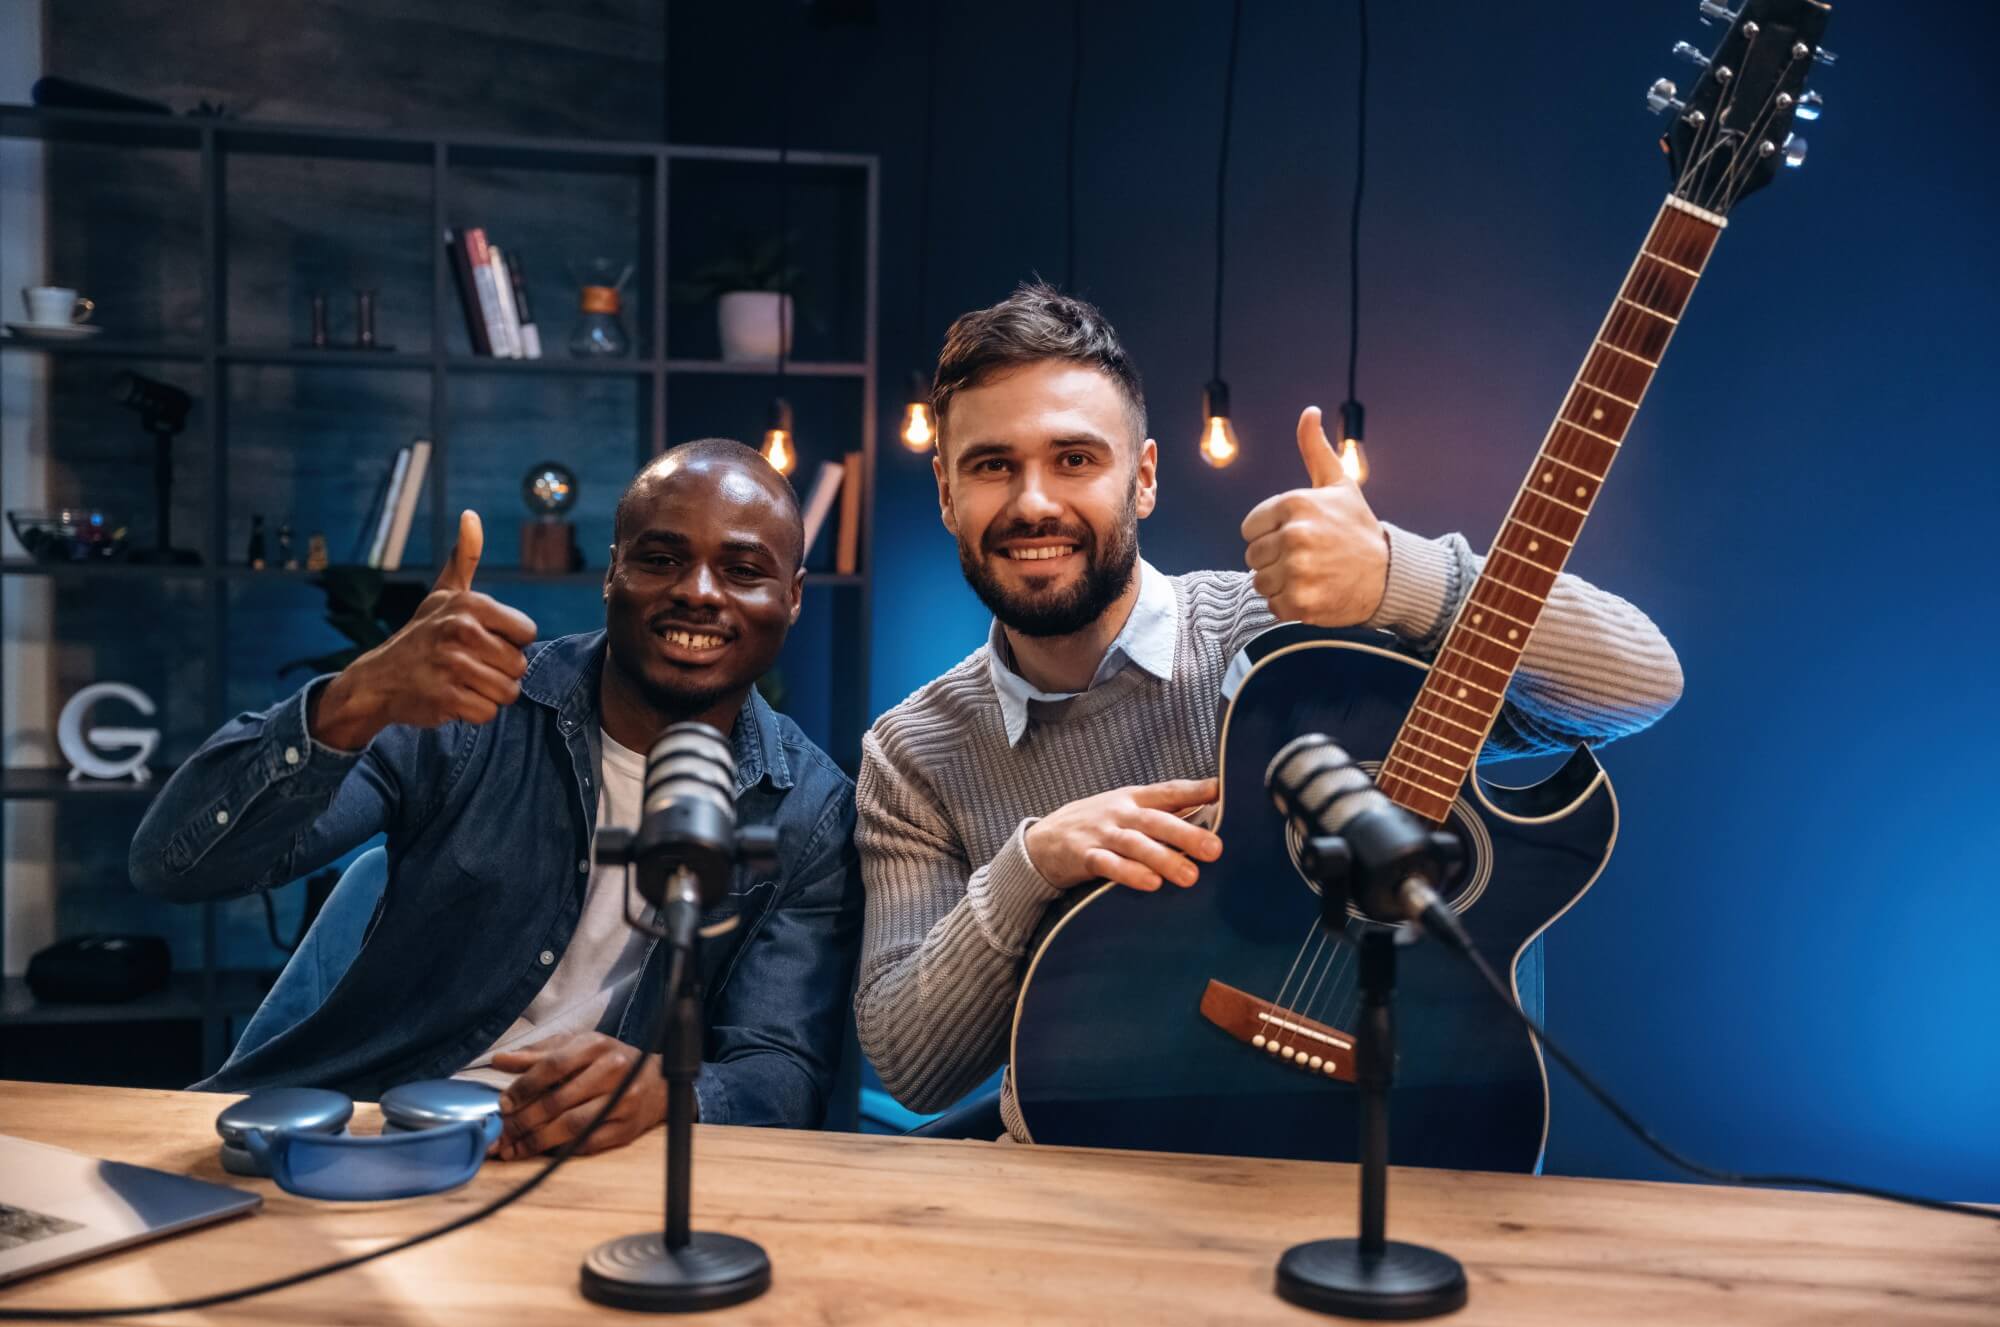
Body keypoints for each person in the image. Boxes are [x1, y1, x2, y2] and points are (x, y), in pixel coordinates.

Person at [854, 283, 1684, 1142]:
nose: (1033, 502)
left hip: (1396, 1149)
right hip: (1087, 1180)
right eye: (993, 464)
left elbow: (1641, 681)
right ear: (949, 494)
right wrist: (1035, 862)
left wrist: (1402, 574)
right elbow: (914, 1068)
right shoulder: (913, 752)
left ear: (1141, 480)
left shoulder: (1302, 630)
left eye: (1075, 459)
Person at [130, 438, 862, 1156]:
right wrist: (355, 698)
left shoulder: (810, 812)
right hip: (362, 1137)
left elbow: (783, 1067)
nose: (697, 591)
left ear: (792, 596)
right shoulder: (470, 708)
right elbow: (173, 864)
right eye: (662, 558)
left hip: (580, 1171)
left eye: (741, 569)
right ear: (613, 573)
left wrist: (674, 1093)